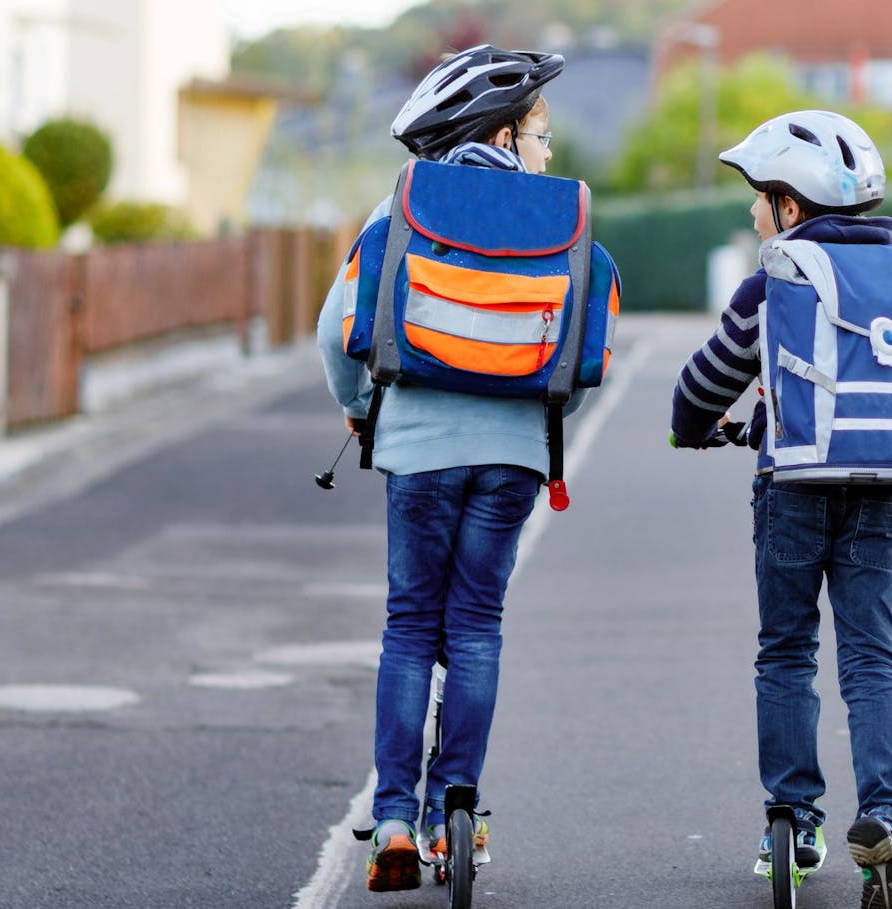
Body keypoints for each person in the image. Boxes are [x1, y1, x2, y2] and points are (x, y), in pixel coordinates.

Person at [315, 43, 568, 893]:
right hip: (512, 455)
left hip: (419, 450)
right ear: (499, 132)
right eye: (538, 132)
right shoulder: (552, 218)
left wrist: (359, 405)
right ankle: (454, 807)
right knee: (476, 624)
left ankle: (391, 815)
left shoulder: (403, 215)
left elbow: (335, 325)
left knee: (410, 623)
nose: (548, 151)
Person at [668, 110, 892, 909]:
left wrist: (694, 428)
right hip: (879, 486)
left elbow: (705, 382)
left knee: (786, 652)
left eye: (760, 196)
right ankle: (885, 817)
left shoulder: (777, 278)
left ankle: (794, 819)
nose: (753, 212)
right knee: (872, 658)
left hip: (794, 488)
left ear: (791, 206)